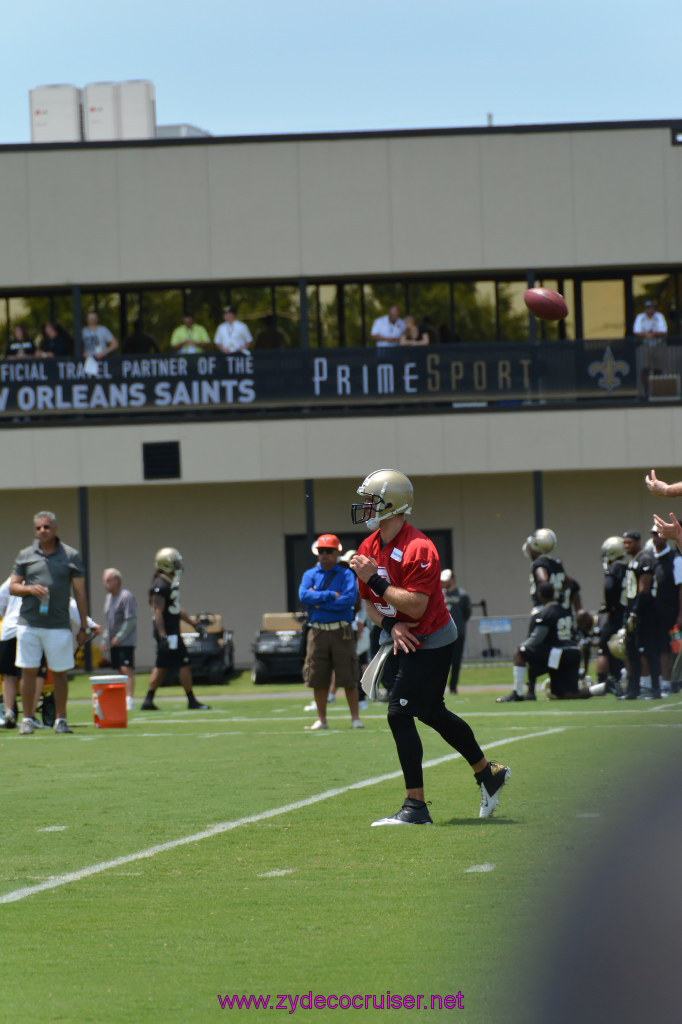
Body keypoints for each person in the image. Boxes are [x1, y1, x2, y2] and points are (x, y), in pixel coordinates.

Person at [349, 468, 510, 825]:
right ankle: (488, 773)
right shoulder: (369, 545)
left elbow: (418, 606)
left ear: (392, 505)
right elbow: (369, 606)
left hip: (434, 639)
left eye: (372, 500)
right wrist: (391, 625)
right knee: (431, 712)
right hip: (401, 638)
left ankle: (415, 807)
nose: (366, 507)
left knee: (399, 713)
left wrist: (373, 578)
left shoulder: (419, 547)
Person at [9, 510, 91, 734]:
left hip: (58, 624)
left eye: (46, 527)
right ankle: (27, 720)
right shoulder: (25, 555)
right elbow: (12, 586)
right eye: (38, 528)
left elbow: (80, 593)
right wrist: (29, 588)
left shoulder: (70, 555)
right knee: (28, 671)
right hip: (29, 623)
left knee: (60, 673)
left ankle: (60, 720)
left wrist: (83, 626)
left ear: (55, 528)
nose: (42, 531)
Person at [298, 534, 362, 730]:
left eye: (329, 551)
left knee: (349, 675)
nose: (324, 555)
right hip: (317, 632)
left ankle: (355, 719)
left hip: (341, 630)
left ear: (337, 552)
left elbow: (349, 600)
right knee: (318, 676)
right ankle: (322, 719)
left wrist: (319, 603)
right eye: (321, 551)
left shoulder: (346, 575)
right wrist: (329, 595)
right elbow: (303, 595)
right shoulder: (310, 574)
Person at [141, 547, 209, 711]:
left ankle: (148, 701)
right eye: (175, 562)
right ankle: (191, 700)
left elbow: (176, 609)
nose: (179, 565)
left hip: (171, 631)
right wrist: (163, 635)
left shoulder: (170, 582)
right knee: (183, 663)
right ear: (166, 564)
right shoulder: (160, 585)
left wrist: (193, 623)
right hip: (168, 632)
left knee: (162, 665)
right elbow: (158, 611)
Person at [618, 530, 660, 700]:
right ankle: (633, 689)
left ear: (638, 542)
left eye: (630, 543)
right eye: (625, 543)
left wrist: (634, 612)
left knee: (648, 651)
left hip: (644, 613)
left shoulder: (644, 560)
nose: (626, 546)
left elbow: (644, 589)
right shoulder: (632, 561)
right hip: (632, 611)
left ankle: (655, 689)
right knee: (632, 651)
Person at [595, 536, 628, 694]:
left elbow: (609, 587)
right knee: (625, 648)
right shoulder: (629, 567)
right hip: (628, 614)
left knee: (603, 647)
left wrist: (609, 606)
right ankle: (627, 678)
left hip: (616, 615)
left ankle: (602, 683)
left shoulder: (614, 568)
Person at [651, 530, 682, 695]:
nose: (657, 538)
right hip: (655, 611)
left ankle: (671, 682)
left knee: (672, 648)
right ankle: (664, 681)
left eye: (659, 534)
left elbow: (680, 588)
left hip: (671, 611)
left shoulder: (675, 560)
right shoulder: (650, 559)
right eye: (654, 534)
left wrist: (680, 614)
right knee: (658, 647)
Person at [102, 568, 138, 711]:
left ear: (117, 580)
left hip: (125, 641)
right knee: (119, 669)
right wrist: (106, 638)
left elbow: (130, 619)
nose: (105, 584)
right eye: (104, 581)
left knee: (126, 668)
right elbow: (108, 622)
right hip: (113, 642)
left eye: (108, 580)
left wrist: (119, 637)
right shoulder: (109, 598)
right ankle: (123, 697)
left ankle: (129, 699)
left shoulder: (126, 596)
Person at [440, 570, 471, 693]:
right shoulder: (440, 595)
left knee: (456, 661)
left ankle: (453, 687)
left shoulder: (462, 595)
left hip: (459, 633)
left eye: (446, 580)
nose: (443, 583)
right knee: (442, 663)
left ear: (452, 579)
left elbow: (466, 613)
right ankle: (440, 687)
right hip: (442, 634)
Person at [634, 300, 667, 395]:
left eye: (651, 308)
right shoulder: (640, 317)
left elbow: (663, 331)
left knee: (658, 368)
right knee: (645, 368)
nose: (649, 310)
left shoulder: (659, 316)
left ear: (654, 308)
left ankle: (658, 391)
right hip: (646, 344)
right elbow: (637, 332)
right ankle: (646, 392)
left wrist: (653, 334)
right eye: (647, 308)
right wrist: (646, 334)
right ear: (645, 309)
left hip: (658, 344)